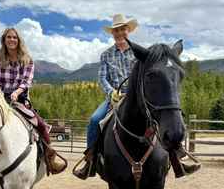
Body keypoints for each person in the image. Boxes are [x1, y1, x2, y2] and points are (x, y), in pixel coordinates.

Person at [73, 13, 200, 179]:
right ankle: (90, 161)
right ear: (112, 33)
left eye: (122, 29)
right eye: (116, 30)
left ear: (128, 30)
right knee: (95, 120)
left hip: (139, 96)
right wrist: (112, 92)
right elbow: (102, 78)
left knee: (162, 119)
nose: (119, 33)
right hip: (114, 98)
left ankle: (176, 159)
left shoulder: (142, 53)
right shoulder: (106, 55)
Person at [0, 27, 66, 175]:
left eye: (14, 37)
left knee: (41, 125)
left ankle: (50, 158)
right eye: (9, 37)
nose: (12, 40)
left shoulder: (27, 60)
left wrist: (16, 92)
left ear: (19, 40)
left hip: (20, 98)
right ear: (4, 40)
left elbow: (26, 81)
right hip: (0, 98)